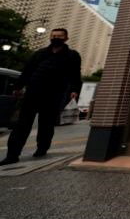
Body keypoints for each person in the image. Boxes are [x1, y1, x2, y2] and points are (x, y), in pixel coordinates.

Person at [1, 28, 82, 166]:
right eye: (53, 36)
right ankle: (12, 155)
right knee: (21, 125)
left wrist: (74, 89)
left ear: (66, 38)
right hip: (33, 92)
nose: (56, 38)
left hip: (54, 94)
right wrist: (18, 87)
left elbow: (75, 74)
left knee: (47, 124)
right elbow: (27, 71)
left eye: (59, 36)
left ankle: (42, 148)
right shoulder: (40, 53)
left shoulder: (72, 55)